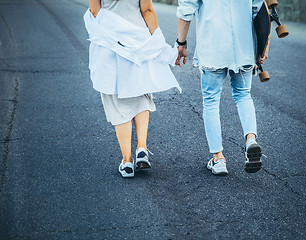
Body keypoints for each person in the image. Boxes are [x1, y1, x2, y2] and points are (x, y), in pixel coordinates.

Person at [85, 0, 181, 178]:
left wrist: (113, 30)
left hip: (110, 44)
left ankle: (127, 161)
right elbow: (147, 11)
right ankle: (142, 148)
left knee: (117, 102)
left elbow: (94, 9)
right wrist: (156, 41)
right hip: (138, 42)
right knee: (141, 93)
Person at [176, 0, 268, 175]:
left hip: (213, 48)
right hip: (244, 48)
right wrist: (263, 45)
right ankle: (250, 139)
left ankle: (218, 159)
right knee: (243, 95)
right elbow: (259, 10)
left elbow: (186, 10)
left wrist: (181, 43)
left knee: (211, 101)